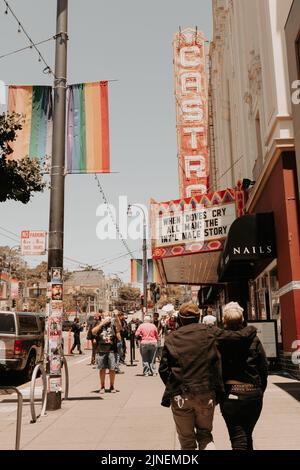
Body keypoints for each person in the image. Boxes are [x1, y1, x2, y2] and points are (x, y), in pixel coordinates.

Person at [159, 302, 223, 451]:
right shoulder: (210, 333)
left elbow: (163, 369)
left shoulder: (172, 337)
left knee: (187, 442)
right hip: (206, 392)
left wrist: (174, 384)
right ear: (199, 316)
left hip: (181, 393)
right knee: (205, 435)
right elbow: (218, 361)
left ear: (180, 319)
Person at [216, 301, 268, 451]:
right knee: (247, 435)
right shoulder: (254, 339)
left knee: (238, 438)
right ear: (242, 320)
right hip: (253, 395)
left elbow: (215, 368)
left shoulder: (219, 341)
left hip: (231, 395)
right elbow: (263, 367)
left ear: (224, 320)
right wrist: (260, 390)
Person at [92, 311, 118, 394]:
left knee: (112, 368)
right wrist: (101, 324)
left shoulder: (113, 324)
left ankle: (112, 386)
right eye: (105, 316)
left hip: (112, 349)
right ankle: (102, 386)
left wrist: (116, 317)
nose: (107, 317)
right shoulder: (98, 324)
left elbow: (119, 329)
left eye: (108, 316)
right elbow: (93, 332)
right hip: (101, 349)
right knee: (102, 369)